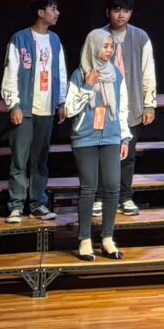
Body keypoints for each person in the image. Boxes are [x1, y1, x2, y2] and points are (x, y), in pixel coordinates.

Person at [82, 0, 156, 215]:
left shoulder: (140, 37)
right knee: (101, 153)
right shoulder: (98, 36)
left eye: (126, 10)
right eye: (116, 10)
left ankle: (125, 197)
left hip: (131, 105)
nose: (121, 15)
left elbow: (148, 71)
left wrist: (149, 104)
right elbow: (87, 66)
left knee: (128, 154)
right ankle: (99, 197)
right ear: (108, 12)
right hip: (102, 106)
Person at [64, 30, 129, 262]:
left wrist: (124, 137)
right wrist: (88, 86)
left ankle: (107, 238)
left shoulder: (116, 75)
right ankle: (84, 239)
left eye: (111, 46)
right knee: (89, 188)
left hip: (111, 137)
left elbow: (122, 107)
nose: (109, 50)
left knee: (112, 187)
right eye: (105, 46)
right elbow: (69, 110)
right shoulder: (80, 74)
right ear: (93, 47)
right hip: (85, 138)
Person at [2, 0, 66, 221]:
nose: (57, 13)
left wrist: (61, 101)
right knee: (19, 159)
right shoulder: (20, 39)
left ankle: (38, 203)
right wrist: (14, 104)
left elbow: (60, 72)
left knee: (40, 160)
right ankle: (16, 205)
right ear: (40, 12)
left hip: (46, 109)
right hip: (26, 108)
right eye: (53, 9)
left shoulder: (55, 40)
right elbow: (10, 74)